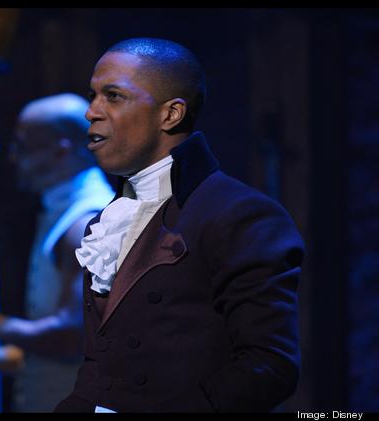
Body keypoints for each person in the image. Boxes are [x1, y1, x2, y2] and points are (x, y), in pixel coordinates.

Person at [54, 38, 305, 413]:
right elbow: (102, 370)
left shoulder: (241, 215)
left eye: (113, 96)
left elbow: (269, 365)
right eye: (93, 96)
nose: (91, 112)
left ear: (171, 114)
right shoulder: (105, 223)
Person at [0, 93, 115, 412]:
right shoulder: (64, 211)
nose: (13, 158)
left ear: (61, 150)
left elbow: (73, 335)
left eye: (23, 147)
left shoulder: (85, 222)